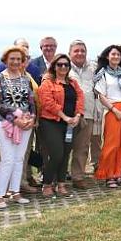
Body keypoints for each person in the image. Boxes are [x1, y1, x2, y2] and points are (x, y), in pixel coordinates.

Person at [0, 46, 36, 209]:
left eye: (19, 59)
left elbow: (31, 101)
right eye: (12, 59)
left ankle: (15, 191)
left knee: (19, 159)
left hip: (25, 123)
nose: (16, 62)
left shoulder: (25, 79)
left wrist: (32, 118)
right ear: (5, 60)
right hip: (5, 124)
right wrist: (15, 120)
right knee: (7, 159)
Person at [37, 54, 84, 198]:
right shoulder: (47, 83)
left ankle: (61, 184)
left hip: (70, 124)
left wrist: (77, 116)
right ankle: (47, 183)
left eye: (66, 65)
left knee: (65, 154)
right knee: (56, 154)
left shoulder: (73, 83)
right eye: (59, 64)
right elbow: (47, 103)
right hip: (52, 122)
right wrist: (65, 117)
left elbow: (80, 98)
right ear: (54, 66)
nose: (63, 67)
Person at [94, 45, 121, 188]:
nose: (116, 57)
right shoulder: (103, 73)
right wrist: (115, 110)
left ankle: (118, 172)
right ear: (107, 56)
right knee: (112, 143)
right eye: (113, 54)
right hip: (112, 109)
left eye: (118, 54)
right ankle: (108, 174)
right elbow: (101, 95)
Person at [68, 40, 100, 188]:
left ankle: (78, 177)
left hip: (87, 113)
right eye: (76, 50)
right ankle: (58, 178)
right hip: (68, 116)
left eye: (82, 50)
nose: (80, 53)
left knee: (82, 147)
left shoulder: (93, 68)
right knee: (63, 147)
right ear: (70, 53)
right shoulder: (64, 67)